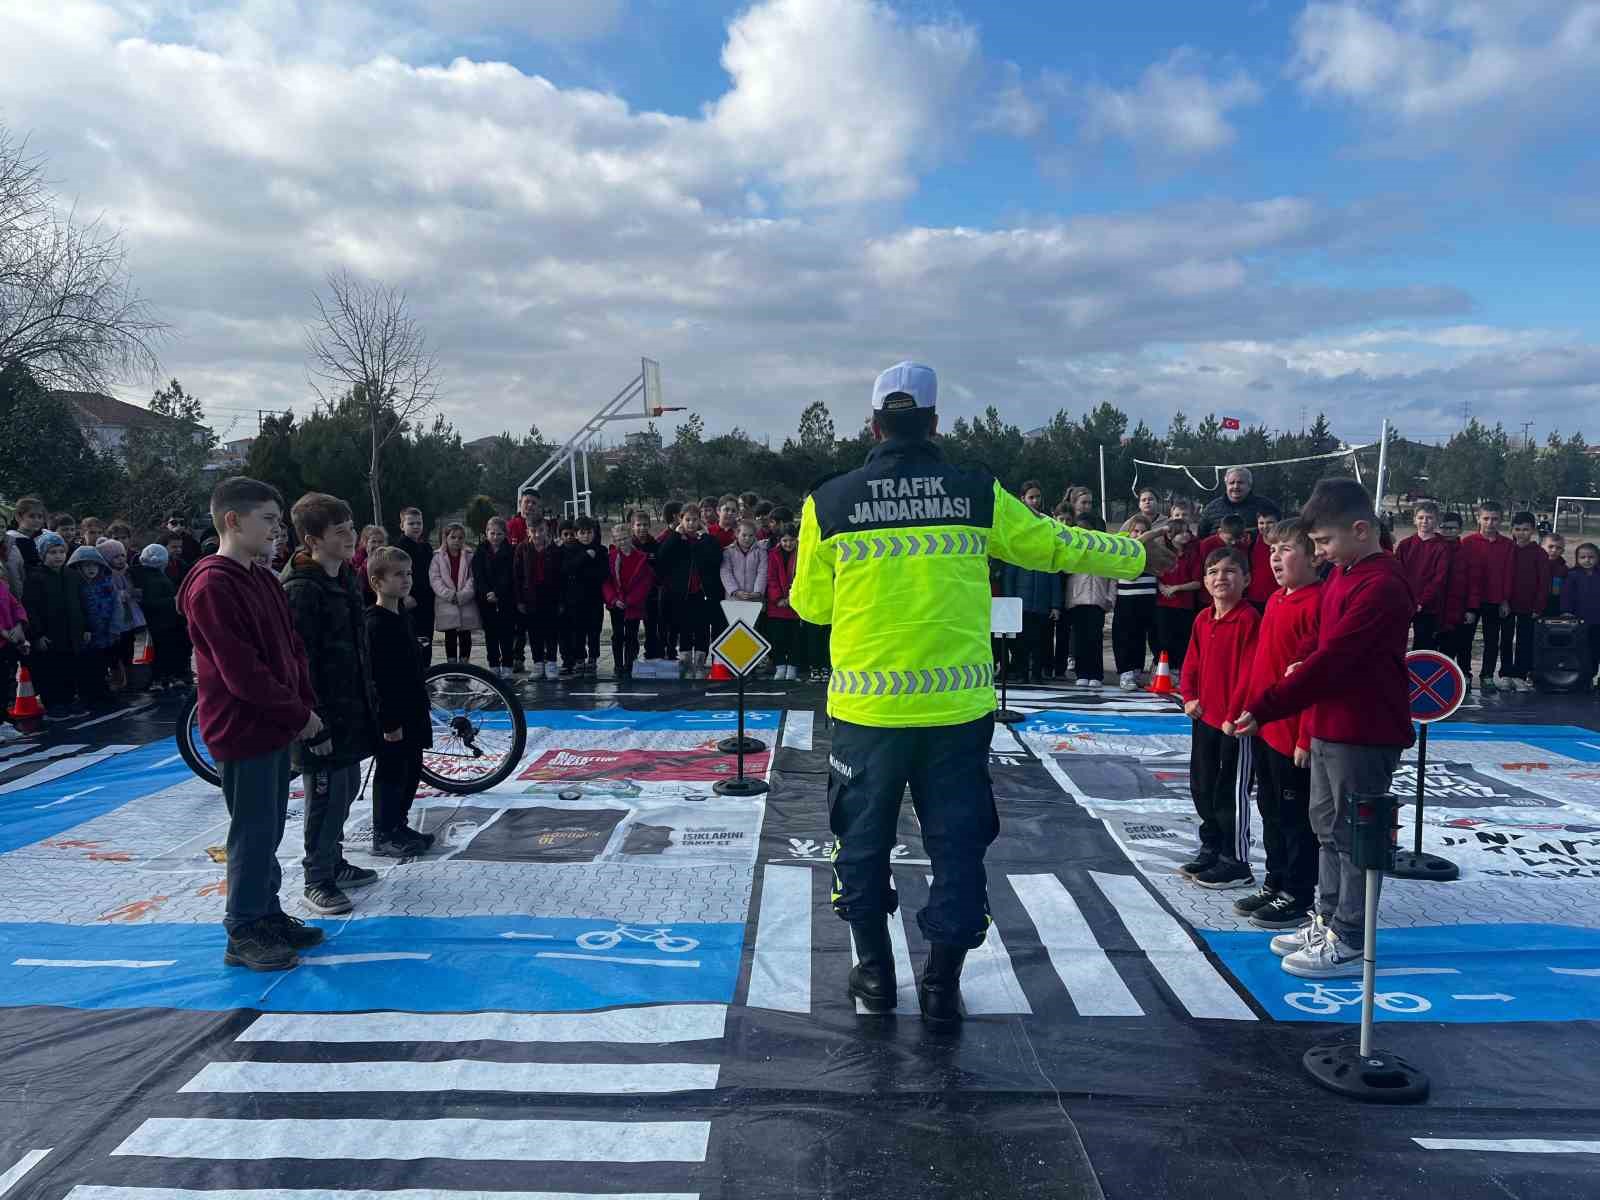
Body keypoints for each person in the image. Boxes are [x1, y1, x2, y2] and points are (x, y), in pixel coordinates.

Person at [790, 361, 1172, 1030]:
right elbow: (1054, 545)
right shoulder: (976, 493)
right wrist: (1139, 557)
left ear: (874, 425)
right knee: (957, 846)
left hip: (865, 715)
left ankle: (875, 975)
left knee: (861, 843)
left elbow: (811, 607)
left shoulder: (830, 501)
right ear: (936, 424)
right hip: (956, 716)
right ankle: (942, 984)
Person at [1233, 477, 1415, 979]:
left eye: (1324, 543)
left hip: (1364, 729)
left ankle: (1352, 937)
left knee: (1356, 836)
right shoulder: (1344, 572)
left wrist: (1272, 703)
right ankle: (1329, 919)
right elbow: (1322, 650)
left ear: (1361, 529)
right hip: (1330, 724)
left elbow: (1338, 659)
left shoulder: (1381, 584)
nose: (1320, 553)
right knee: (1327, 828)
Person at [178, 477, 323, 970]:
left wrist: (301, 704)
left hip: (275, 724)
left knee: (269, 827)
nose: (276, 530)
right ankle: (242, 929)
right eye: (268, 520)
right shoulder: (212, 586)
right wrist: (297, 714)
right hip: (243, 728)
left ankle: (267, 913)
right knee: (253, 830)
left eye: (278, 521)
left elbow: (293, 649)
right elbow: (242, 673)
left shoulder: (261, 578)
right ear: (232, 521)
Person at [282, 492, 381, 917]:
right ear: (312, 539)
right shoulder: (302, 588)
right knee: (323, 795)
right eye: (340, 533)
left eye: (352, 529)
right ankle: (317, 878)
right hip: (318, 717)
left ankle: (334, 862)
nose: (351, 538)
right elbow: (298, 662)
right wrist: (311, 720)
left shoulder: (342, 578)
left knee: (343, 791)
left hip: (349, 709)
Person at [1233, 519, 1322, 931]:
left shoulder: (1318, 604)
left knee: (1294, 817)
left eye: (1285, 550)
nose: (1275, 558)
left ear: (1313, 556)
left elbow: (1313, 680)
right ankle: (1275, 881)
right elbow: (1263, 668)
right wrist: (1252, 711)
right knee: (1269, 809)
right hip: (1267, 729)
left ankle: (1299, 892)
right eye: (1272, 551)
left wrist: (1305, 735)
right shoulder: (1274, 601)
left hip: (1294, 739)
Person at [1179, 546, 1260, 891]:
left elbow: (1248, 671)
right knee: (1203, 786)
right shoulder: (1202, 619)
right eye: (1213, 572)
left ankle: (1236, 859)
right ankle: (1211, 846)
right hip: (1204, 719)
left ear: (1246, 579)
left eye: (1229, 571)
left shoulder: (1248, 619)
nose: (1220, 578)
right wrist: (1189, 696)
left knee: (1231, 792)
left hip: (1234, 724)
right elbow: (1191, 661)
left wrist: (1232, 715)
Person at [365, 546, 436, 857]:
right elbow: (379, 678)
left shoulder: (402, 616)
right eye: (398, 575)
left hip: (413, 708)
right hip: (393, 714)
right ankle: (383, 831)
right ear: (377, 582)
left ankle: (399, 823)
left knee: (411, 768)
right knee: (392, 772)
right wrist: (388, 721)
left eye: (408, 574)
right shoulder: (375, 623)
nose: (406, 580)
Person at [1000, 482, 1061, 684]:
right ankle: (1022, 672)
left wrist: (1055, 603)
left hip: (1042, 601)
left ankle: (1037, 673)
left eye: (1038, 497)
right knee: (1020, 641)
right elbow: (1010, 571)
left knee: (1041, 640)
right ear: (1022, 499)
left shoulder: (1047, 524)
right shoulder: (1015, 527)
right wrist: (1009, 600)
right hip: (1021, 600)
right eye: (1031, 497)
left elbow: (1053, 569)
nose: (1035, 501)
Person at [23, 531, 86, 719]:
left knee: (70, 667)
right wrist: (37, 634)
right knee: (51, 669)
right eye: (52, 552)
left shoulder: (72, 575)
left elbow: (81, 603)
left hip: (71, 631)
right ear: (43, 555)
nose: (58, 556)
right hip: (49, 633)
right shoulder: (35, 577)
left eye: (60, 551)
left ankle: (68, 699)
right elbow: (31, 608)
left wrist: (86, 628)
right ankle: (53, 702)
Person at [655, 504, 723, 675]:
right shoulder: (675, 538)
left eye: (695, 520)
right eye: (687, 520)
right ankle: (685, 660)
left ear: (700, 520)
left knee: (701, 628)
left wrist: (706, 538)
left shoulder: (707, 539)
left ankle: (700, 662)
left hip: (703, 593)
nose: (691, 524)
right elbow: (662, 557)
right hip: (682, 594)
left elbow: (717, 558)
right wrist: (677, 535)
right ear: (681, 520)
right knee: (684, 627)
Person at [1460, 500, 1515, 692]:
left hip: (1495, 600)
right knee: (1465, 640)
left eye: (1495, 519)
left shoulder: (1508, 545)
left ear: (1501, 520)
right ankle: (1464, 674)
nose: (1490, 523)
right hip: (1471, 601)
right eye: (1486, 518)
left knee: (1492, 641)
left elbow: (1509, 573)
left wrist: (1505, 599)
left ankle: (1487, 676)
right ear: (1478, 518)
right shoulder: (1467, 543)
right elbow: (1462, 573)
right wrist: (1465, 602)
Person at [1064, 514, 1115, 689]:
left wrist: (1110, 598)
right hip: (1077, 600)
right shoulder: (1072, 549)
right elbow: (1065, 572)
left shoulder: (1104, 550)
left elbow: (1112, 576)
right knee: (1079, 637)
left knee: (1095, 638)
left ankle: (1096, 674)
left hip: (1098, 600)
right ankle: (1082, 673)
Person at [1502, 512, 1550, 693]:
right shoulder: (1507, 549)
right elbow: (1501, 577)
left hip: (1529, 607)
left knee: (1525, 641)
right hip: (1507, 605)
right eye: (1518, 529)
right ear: (1512, 530)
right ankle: (1506, 674)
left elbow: (1544, 582)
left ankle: (1520, 675)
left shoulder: (1539, 554)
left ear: (1533, 530)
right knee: (1505, 640)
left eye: (1526, 530)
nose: (1521, 533)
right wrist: (1503, 600)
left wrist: (1538, 606)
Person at [1395, 501, 1451, 651]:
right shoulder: (1405, 545)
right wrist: (1404, 599)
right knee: (1396, 641)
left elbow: (1439, 578)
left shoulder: (1442, 547)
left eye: (1429, 518)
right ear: (1414, 520)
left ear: (1437, 520)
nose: (1424, 521)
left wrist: (1422, 602)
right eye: (1420, 517)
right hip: (1404, 603)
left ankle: (1419, 674)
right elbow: (1397, 574)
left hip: (1428, 606)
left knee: (1423, 645)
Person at [1113, 514, 1159, 691]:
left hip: (1148, 598)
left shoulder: (1154, 551)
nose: (1139, 534)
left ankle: (1137, 671)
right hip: (1126, 599)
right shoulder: (1122, 550)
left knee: (1141, 636)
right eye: (1135, 531)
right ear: (1129, 532)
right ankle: (1125, 672)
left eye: (1143, 531)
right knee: (1125, 635)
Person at [558, 516, 607, 675]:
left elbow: (604, 573)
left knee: (594, 631)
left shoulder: (601, 550)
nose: (586, 536)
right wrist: (585, 556)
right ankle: (579, 658)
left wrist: (587, 571)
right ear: (577, 534)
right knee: (578, 631)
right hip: (576, 600)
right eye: (582, 533)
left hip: (595, 598)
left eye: (589, 532)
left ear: (594, 532)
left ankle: (593, 658)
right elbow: (567, 569)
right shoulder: (570, 550)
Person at [604, 522, 654, 678]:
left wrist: (630, 601)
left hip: (633, 605)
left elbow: (645, 583)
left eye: (625, 538)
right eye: (618, 539)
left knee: (632, 635)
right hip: (616, 604)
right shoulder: (611, 558)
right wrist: (613, 599)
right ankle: (618, 665)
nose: (622, 542)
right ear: (614, 540)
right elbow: (606, 582)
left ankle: (630, 664)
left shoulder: (641, 557)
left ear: (630, 538)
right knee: (618, 634)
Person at [514, 523, 563, 681]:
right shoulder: (522, 549)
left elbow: (562, 575)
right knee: (534, 633)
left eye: (540, 530)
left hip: (551, 596)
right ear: (528, 531)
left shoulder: (555, 549)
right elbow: (517, 576)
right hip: (531, 597)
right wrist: (520, 599)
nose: (537, 535)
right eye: (533, 531)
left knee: (551, 632)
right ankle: (538, 664)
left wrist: (561, 600)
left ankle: (551, 663)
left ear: (546, 530)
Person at [1155, 517, 1203, 677]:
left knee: (1182, 640)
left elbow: (1198, 582)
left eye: (1187, 531)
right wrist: (1161, 587)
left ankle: (1181, 671)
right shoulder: (1162, 554)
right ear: (1170, 536)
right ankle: (1162, 670)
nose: (1185, 535)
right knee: (1163, 639)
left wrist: (1176, 588)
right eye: (1180, 533)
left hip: (1184, 605)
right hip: (1164, 604)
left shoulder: (1193, 555)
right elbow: (1155, 575)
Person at [70, 544, 116, 707]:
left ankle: (101, 690)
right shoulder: (76, 585)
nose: (91, 569)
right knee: (86, 664)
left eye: (94, 564)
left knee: (102, 663)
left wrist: (114, 627)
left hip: (104, 631)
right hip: (87, 633)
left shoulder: (106, 583)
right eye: (86, 565)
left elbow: (115, 606)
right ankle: (88, 693)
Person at [470, 516, 517, 679]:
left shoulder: (511, 551)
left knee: (506, 634)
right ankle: (494, 665)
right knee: (491, 634)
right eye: (492, 533)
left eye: (499, 534)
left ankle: (508, 665)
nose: (495, 537)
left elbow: (510, 575)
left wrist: (498, 592)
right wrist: (486, 593)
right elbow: (477, 574)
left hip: (506, 599)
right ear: (486, 533)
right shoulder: (481, 551)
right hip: (485, 600)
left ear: (505, 534)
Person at [429, 522, 481, 665]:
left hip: (466, 602)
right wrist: (449, 594)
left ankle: (464, 663)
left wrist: (463, 595)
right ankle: (451, 664)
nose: (456, 541)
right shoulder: (437, 557)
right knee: (450, 635)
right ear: (446, 538)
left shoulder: (470, 556)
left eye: (460, 538)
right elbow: (435, 579)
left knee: (465, 635)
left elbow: (473, 577)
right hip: (446, 602)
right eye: (453, 537)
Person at [134, 543, 182, 691]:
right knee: (161, 651)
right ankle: (158, 678)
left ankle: (155, 678)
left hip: (150, 623)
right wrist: (172, 601)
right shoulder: (155, 577)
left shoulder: (142, 575)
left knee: (150, 652)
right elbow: (150, 602)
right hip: (160, 622)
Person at [1437, 511, 1475, 683]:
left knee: (1456, 645)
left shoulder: (1467, 552)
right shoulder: (1433, 548)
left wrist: (1471, 608)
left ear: (1460, 530)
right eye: (1445, 528)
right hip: (1434, 609)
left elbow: (1473, 583)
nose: (1448, 531)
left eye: (1453, 528)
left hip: (1458, 609)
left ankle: (1458, 677)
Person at [766, 524, 806, 681]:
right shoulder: (773, 554)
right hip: (777, 606)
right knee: (778, 638)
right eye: (784, 540)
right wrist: (778, 598)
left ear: (796, 540)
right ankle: (780, 666)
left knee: (795, 640)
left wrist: (793, 598)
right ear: (779, 540)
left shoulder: (802, 554)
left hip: (795, 606)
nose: (788, 544)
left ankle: (793, 667)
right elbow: (771, 578)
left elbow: (803, 577)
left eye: (791, 540)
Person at [395, 508, 435, 665]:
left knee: (427, 639)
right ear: (402, 526)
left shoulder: (426, 548)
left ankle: (427, 671)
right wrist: (404, 596)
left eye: (419, 523)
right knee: (411, 639)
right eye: (411, 523)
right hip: (409, 600)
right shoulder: (399, 548)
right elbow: (396, 573)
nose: (416, 526)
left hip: (426, 599)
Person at [1197, 466, 1281, 538]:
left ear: (1249, 485)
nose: (1236, 486)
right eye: (1231, 483)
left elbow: (1279, 532)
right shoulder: (1211, 509)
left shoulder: (1266, 505)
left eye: (1240, 482)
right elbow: (1201, 537)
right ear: (1226, 485)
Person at [1561, 542, 1600, 688]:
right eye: (1583, 557)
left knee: (1596, 651)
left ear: (1597, 558)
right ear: (1577, 559)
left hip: (1597, 622)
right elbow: (1566, 596)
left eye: (1591, 557)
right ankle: (1583, 679)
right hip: (1579, 623)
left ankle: (1594, 676)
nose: (1587, 560)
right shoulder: (1572, 575)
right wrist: (1567, 612)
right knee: (1581, 652)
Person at [720, 517, 769, 611]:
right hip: (734, 600)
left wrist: (757, 592)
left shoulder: (761, 551)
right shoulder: (728, 551)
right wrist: (735, 591)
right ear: (737, 534)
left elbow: (763, 572)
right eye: (744, 535)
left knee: (753, 625)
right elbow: (726, 573)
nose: (747, 539)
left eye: (751, 535)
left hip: (755, 600)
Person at [0, 571, 27, 739]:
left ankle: (2, 721)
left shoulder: (2, 586)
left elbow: (15, 605)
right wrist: (2, 631)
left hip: (7, 643)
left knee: (6, 683)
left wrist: (18, 625)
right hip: (4, 637)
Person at [1244, 512, 1276, 612]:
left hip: (1277, 597)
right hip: (1253, 597)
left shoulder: (1286, 544)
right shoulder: (1250, 543)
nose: (1265, 526)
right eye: (1261, 523)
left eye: (1270, 522)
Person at [352, 524, 387, 604]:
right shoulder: (357, 560)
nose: (377, 545)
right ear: (365, 543)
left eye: (380, 542)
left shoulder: (388, 558)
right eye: (373, 541)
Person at [1543, 532, 1569, 618]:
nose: (1554, 550)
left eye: (1558, 548)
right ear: (1542, 547)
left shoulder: (1564, 569)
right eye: (1550, 546)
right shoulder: (1536, 565)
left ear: (1563, 551)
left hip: (1556, 604)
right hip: (1537, 604)